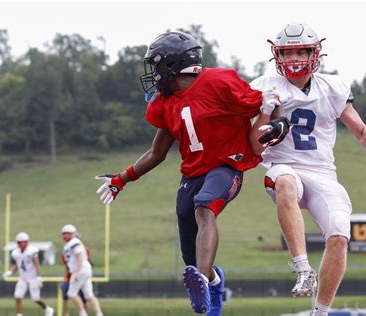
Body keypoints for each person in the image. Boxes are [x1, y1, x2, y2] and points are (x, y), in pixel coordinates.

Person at [95, 31, 288, 315]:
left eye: (157, 65)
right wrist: (120, 179)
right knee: (191, 256)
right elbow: (157, 153)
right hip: (192, 175)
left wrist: (281, 121)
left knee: (204, 208)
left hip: (227, 165)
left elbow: (268, 100)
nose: (154, 73)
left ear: (174, 64)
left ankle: (205, 277)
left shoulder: (219, 82)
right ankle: (213, 282)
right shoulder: (165, 101)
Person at [249, 22, 366, 316]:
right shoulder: (264, 86)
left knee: (340, 238)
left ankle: (321, 311)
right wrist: (265, 111)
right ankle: (302, 267)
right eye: (288, 54)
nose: (294, 60)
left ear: (315, 53)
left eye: (300, 51)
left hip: (323, 173)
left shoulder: (333, 87)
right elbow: (254, 147)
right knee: (287, 181)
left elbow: (360, 128)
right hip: (282, 167)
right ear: (278, 56)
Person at [2, 232, 54, 316]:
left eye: (24, 242)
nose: (23, 244)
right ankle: (19, 314)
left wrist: (39, 277)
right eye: (20, 242)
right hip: (23, 278)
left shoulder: (32, 251)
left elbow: (36, 264)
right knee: (18, 296)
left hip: (33, 277)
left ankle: (48, 309)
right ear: (18, 243)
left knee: (36, 298)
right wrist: (10, 272)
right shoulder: (16, 253)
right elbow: (18, 265)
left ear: (27, 242)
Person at [61, 224, 103, 316]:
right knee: (89, 294)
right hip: (85, 270)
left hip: (80, 270)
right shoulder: (71, 244)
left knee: (72, 294)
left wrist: (76, 272)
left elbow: (79, 257)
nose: (65, 235)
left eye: (67, 233)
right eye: (64, 234)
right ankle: (99, 314)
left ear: (73, 234)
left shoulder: (74, 242)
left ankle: (83, 313)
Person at [60, 245, 90, 316]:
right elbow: (67, 265)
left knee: (84, 297)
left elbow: (85, 262)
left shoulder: (84, 249)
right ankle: (66, 314)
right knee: (66, 296)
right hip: (70, 276)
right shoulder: (67, 249)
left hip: (80, 276)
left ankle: (84, 313)